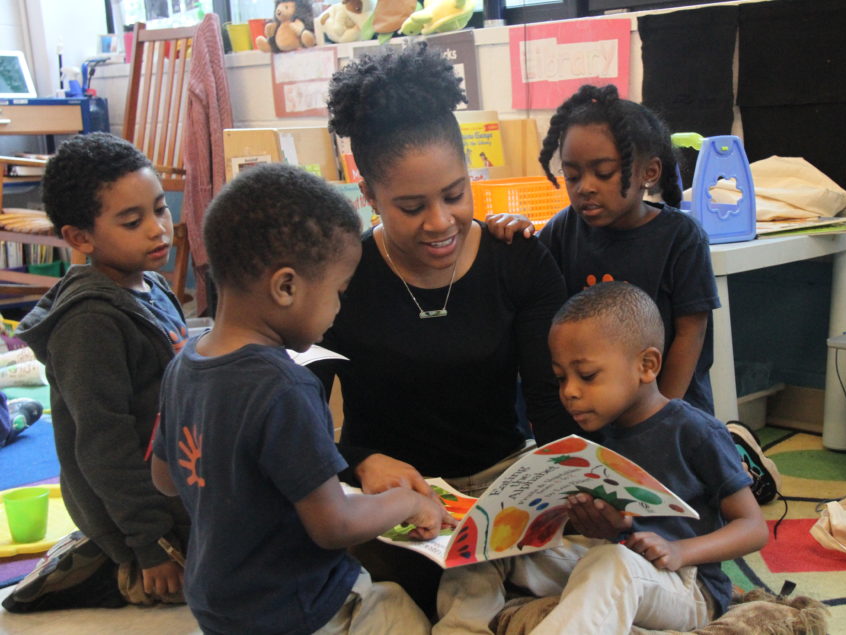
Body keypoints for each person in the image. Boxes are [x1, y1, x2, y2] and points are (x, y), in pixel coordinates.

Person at [318, 41, 578, 612]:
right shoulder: (340, 280)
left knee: (581, 567)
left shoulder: (518, 259)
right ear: (368, 196)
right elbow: (298, 414)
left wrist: (572, 485)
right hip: (390, 498)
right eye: (411, 207)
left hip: (499, 483)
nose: (441, 223)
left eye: (455, 194)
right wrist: (357, 459)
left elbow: (551, 401)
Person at [150, 164, 450, 634]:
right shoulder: (284, 387)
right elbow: (333, 525)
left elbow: (166, 478)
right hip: (300, 608)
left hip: (217, 603)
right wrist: (410, 505)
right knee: (407, 614)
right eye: (338, 292)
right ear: (286, 286)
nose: (338, 309)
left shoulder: (184, 362)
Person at [436, 281, 768, 634]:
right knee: (476, 551)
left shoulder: (695, 431)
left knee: (612, 562)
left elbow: (753, 528)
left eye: (588, 375)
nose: (570, 392)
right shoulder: (593, 438)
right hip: (608, 561)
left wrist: (680, 550)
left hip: (688, 585)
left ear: (647, 364)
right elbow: (612, 534)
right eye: (561, 378)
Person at [9, 133, 190, 612]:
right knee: (236, 576)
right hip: (138, 509)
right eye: (133, 221)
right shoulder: (90, 323)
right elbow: (103, 448)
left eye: (160, 209)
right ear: (79, 238)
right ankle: (110, 570)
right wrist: (151, 546)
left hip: (174, 476)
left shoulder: (148, 284)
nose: (158, 229)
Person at [488, 83, 720, 414]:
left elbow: (690, 334)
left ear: (649, 173)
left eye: (604, 173)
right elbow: (529, 287)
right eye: (572, 175)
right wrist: (513, 228)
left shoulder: (681, 238)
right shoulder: (564, 228)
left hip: (669, 408)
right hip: (591, 412)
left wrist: (663, 415)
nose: (586, 187)